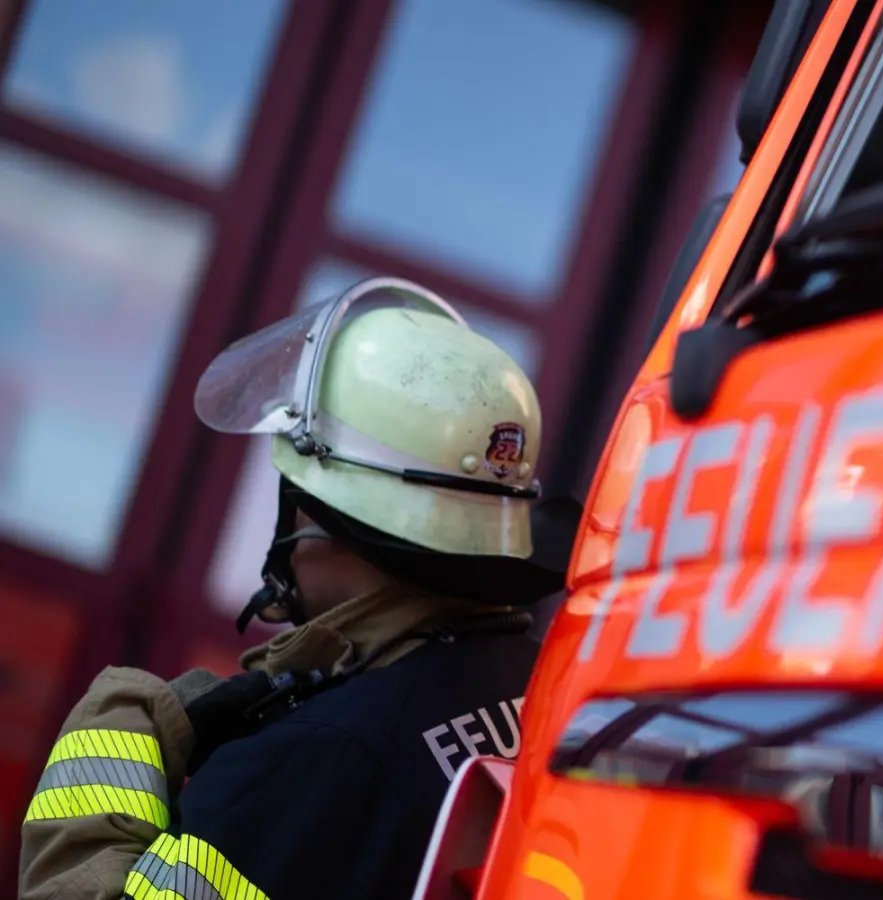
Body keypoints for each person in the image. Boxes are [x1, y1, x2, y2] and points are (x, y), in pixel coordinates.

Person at [18, 277, 578, 900]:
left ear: (330, 519)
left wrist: (117, 723)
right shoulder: (548, 686)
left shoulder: (315, 756)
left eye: (292, 493)